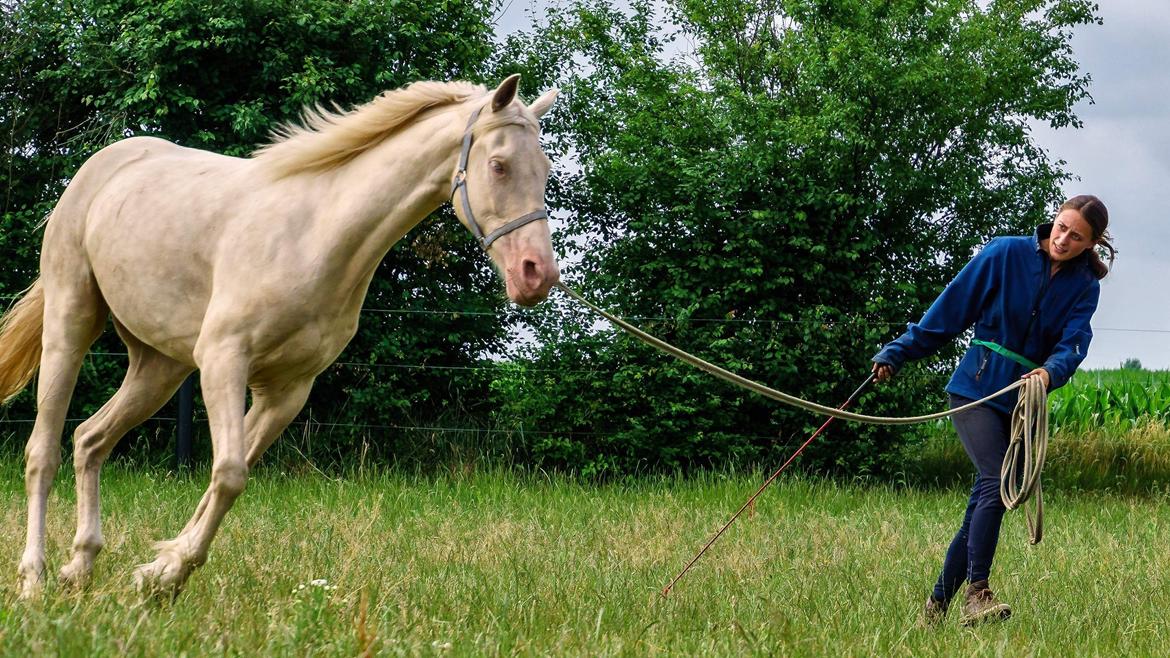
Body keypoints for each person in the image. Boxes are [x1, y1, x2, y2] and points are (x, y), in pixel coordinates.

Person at [870, 195, 1114, 627]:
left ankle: (936, 608)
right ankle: (977, 593)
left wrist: (1049, 372)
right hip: (975, 390)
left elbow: (1074, 343)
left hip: (1023, 400)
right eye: (1061, 227)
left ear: (1092, 243)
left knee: (984, 501)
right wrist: (898, 352)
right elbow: (950, 310)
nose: (1063, 239)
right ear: (1053, 220)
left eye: (1077, 236)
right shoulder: (1004, 252)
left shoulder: (1084, 286)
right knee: (995, 481)